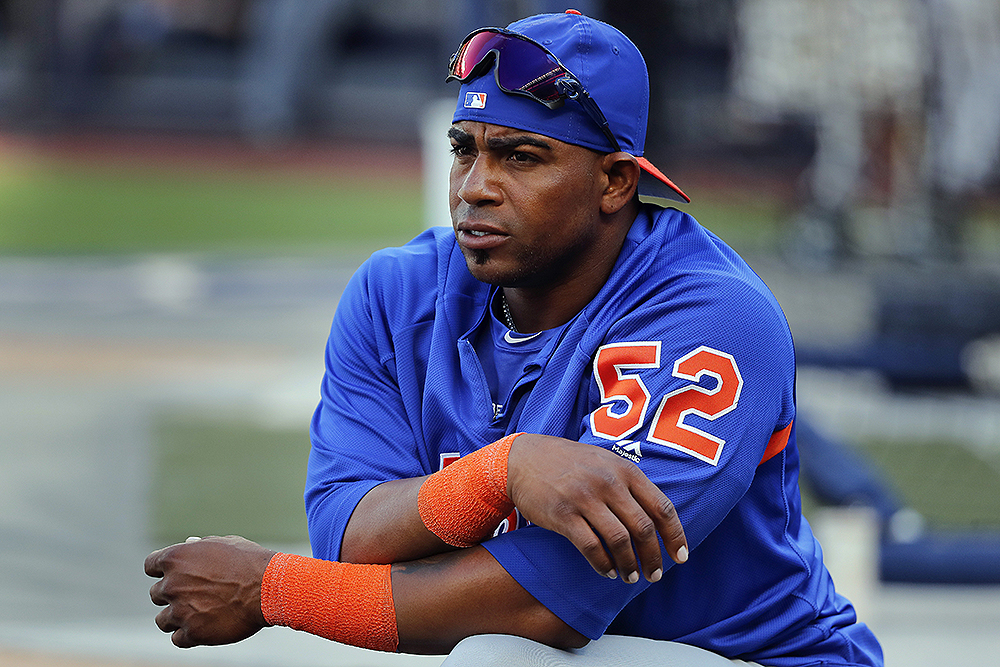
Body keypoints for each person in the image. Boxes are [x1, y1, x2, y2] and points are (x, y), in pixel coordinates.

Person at [145, 11, 884, 666]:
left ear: (616, 182)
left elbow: (549, 603)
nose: (474, 186)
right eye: (466, 149)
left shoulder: (710, 317)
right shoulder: (395, 293)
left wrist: (272, 588)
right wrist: (499, 471)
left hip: (745, 656)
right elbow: (352, 541)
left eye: (521, 157)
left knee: (497, 655)